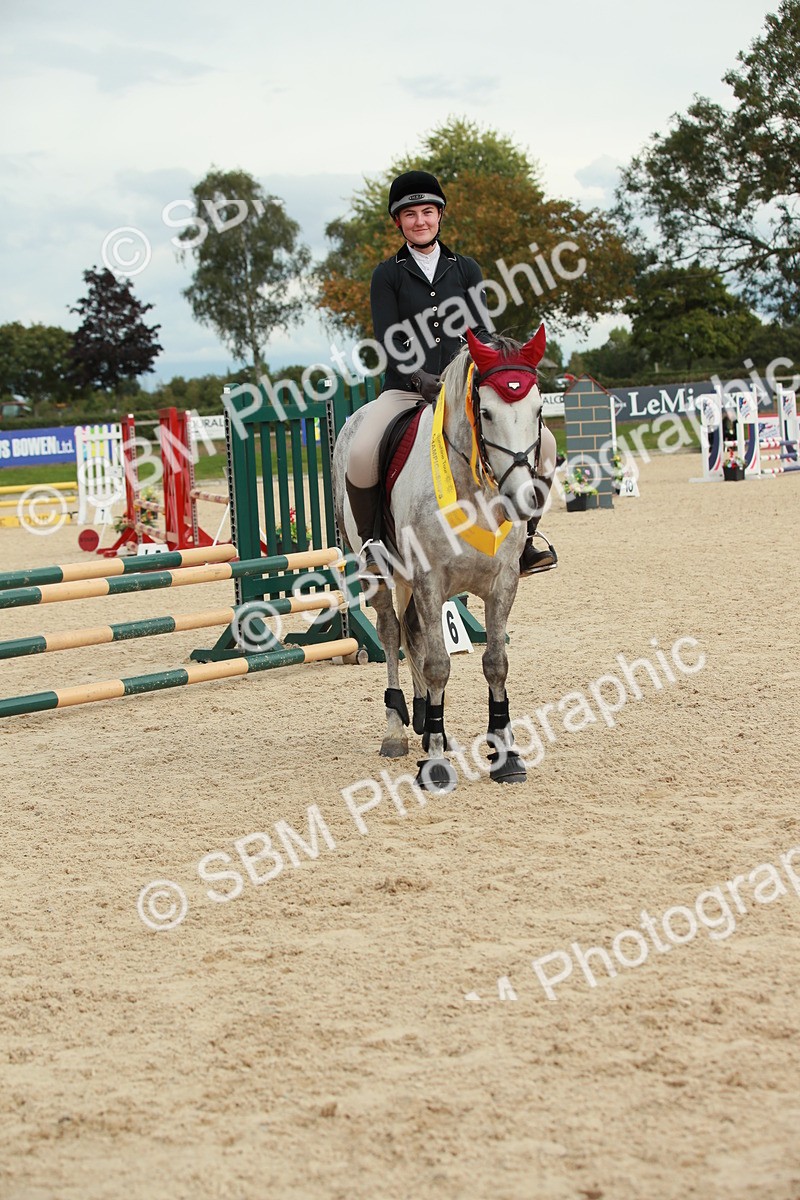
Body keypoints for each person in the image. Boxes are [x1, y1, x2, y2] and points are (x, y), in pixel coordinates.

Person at [344, 169, 558, 582]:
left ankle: (527, 539)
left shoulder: (466, 269)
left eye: (428, 212)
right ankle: (373, 546)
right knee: (360, 453)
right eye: (410, 214)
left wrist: (492, 367)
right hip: (407, 392)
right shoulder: (386, 275)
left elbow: (481, 333)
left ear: (440, 216)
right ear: (398, 222)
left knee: (544, 444)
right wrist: (418, 379)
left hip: (463, 393)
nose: (420, 221)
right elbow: (389, 338)